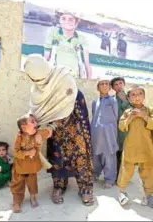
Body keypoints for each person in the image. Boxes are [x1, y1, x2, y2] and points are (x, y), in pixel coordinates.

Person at [22, 54, 95, 206]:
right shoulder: (37, 90)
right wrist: (28, 126)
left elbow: (68, 108)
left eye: (42, 79)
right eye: (36, 80)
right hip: (54, 130)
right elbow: (38, 111)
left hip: (74, 121)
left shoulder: (64, 78)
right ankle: (59, 186)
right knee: (57, 154)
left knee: (80, 153)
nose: (40, 83)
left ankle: (85, 188)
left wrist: (50, 128)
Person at [117, 85, 153, 209]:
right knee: (126, 170)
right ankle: (122, 192)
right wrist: (130, 117)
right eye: (133, 95)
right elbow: (121, 126)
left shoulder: (149, 110)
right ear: (129, 98)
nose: (137, 97)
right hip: (131, 147)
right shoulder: (127, 112)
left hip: (147, 147)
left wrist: (143, 116)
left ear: (144, 96)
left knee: (149, 170)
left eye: (139, 94)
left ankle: (149, 195)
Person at [10, 114, 52, 213]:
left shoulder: (38, 133)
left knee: (32, 183)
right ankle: (17, 202)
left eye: (35, 121)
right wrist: (27, 153)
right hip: (19, 167)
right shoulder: (19, 136)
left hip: (32, 167)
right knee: (17, 185)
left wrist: (41, 134)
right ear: (24, 127)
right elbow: (15, 152)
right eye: (32, 122)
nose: (36, 123)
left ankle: (33, 198)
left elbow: (48, 132)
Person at [44, 10, 92, 79]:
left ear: (76, 22)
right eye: (63, 18)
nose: (67, 22)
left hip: (74, 78)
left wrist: (89, 81)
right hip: (55, 77)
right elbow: (46, 58)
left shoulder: (82, 38)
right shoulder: (53, 33)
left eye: (71, 19)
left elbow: (87, 63)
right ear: (59, 20)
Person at [91, 79, 118, 188]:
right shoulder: (94, 102)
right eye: (102, 84)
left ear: (110, 87)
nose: (104, 85)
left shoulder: (113, 101)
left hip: (109, 133)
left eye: (107, 84)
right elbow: (94, 116)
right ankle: (95, 174)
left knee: (109, 155)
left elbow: (115, 116)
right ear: (98, 87)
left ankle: (109, 179)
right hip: (96, 133)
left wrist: (110, 128)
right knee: (96, 155)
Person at [110, 77, 131, 177]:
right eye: (116, 84)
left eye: (120, 83)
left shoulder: (131, 97)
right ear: (113, 87)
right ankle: (117, 175)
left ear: (124, 84)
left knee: (125, 153)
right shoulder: (112, 99)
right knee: (116, 154)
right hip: (115, 131)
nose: (119, 86)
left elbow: (132, 111)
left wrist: (125, 101)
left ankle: (124, 176)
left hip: (127, 131)